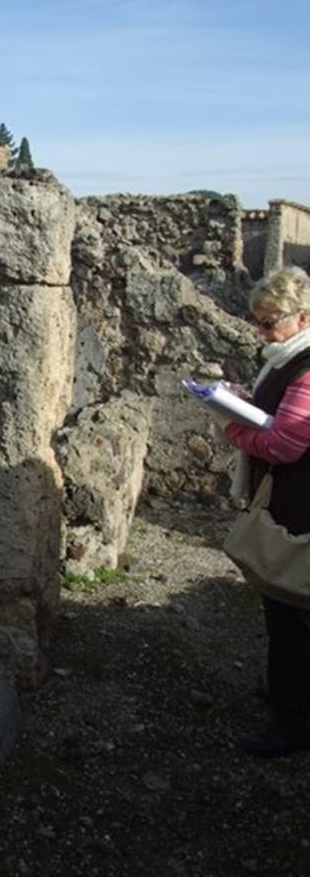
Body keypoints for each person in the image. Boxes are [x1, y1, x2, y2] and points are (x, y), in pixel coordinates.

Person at [223, 265, 310, 756]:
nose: (261, 331)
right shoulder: (285, 358)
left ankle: (294, 720)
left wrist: (234, 429)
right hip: (290, 499)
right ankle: (288, 695)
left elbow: (284, 443)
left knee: (292, 607)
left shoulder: (306, 366)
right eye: (257, 321)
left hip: (299, 506)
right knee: (284, 609)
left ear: (302, 317)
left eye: (270, 321)